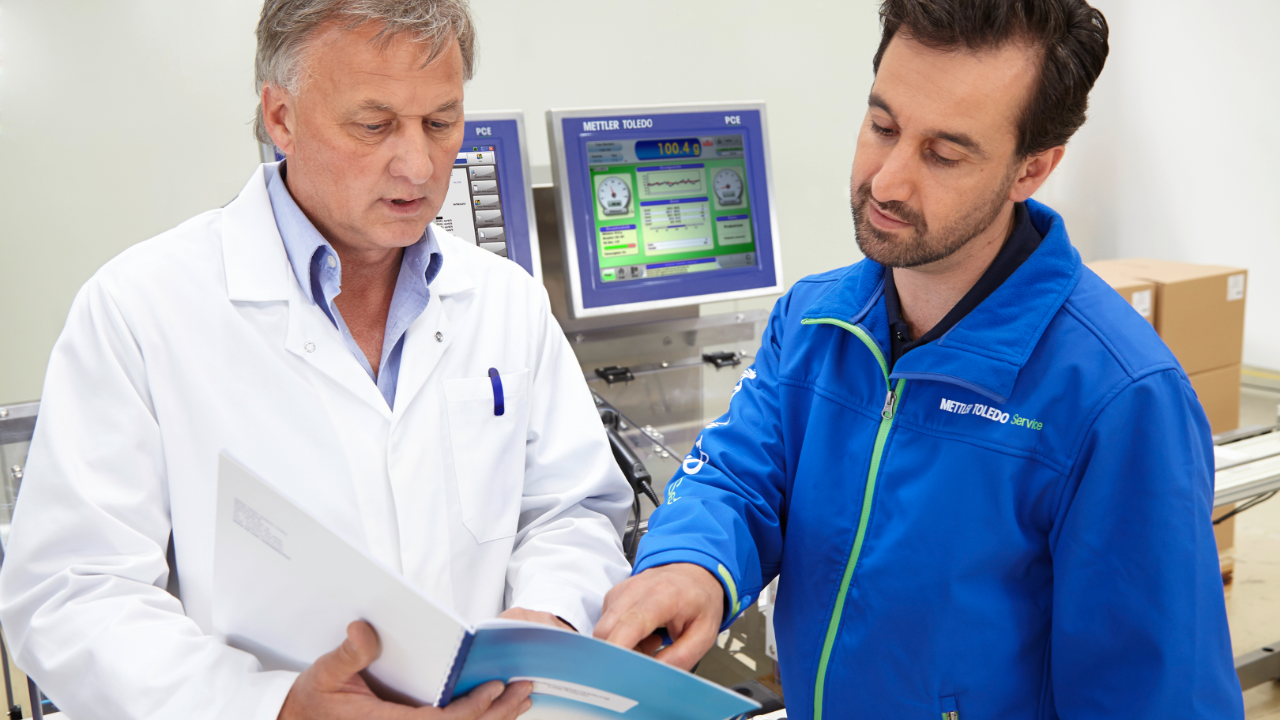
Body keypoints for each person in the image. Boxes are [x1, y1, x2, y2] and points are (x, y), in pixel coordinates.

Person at [595, 1, 1244, 718]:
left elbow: (1158, 699)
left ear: (1032, 168)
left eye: (943, 153)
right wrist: (692, 566)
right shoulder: (814, 321)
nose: (887, 182)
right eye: (883, 126)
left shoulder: (1118, 401)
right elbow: (737, 480)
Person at [0, 1, 632, 719]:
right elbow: (72, 592)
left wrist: (546, 619)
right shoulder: (140, 309)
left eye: (441, 121)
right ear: (281, 118)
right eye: (374, 125)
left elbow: (572, 509)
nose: (419, 164)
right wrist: (272, 707)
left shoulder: (504, 300)